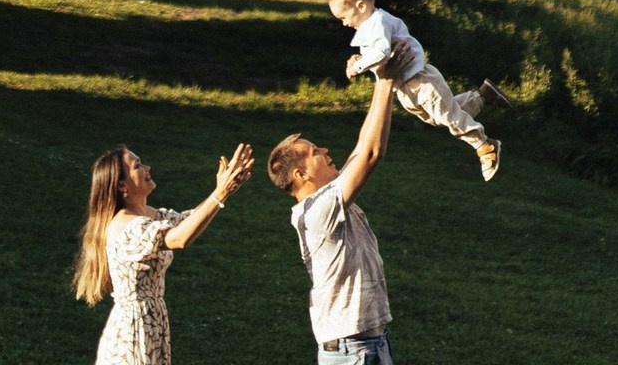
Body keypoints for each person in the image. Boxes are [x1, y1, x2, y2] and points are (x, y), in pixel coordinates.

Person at [72, 141, 255, 365]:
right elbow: (178, 238)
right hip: (134, 333)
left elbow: (186, 222)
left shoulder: (149, 215)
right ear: (122, 185)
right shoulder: (127, 227)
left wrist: (223, 191)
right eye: (137, 166)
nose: (147, 168)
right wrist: (219, 194)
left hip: (151, 324)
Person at [267, 69, 398, 364]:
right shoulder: (317, 211)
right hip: (354, 351)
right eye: (315, 152)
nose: (325, 150)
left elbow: (362, 148)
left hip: (368, 344)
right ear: (301, 175)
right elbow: (371, 154)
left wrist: (383, 80)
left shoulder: (328, 201)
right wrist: (387, 81)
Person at [327, 0, 511, 182]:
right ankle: (482, 96)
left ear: (361, 6)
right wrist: (361, 58)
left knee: (449, 117)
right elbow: (377, 53)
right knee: (439, 117)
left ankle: (484, 144)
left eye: (344, 17)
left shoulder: (377, 21)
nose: (344, 23)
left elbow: (383, 51)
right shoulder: (369, 26)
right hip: (405, 87)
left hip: (420, 80)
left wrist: (357, 67)